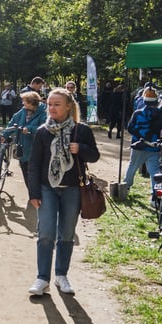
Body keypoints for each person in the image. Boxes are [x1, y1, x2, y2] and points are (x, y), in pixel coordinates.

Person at [27, 88, 100, 296]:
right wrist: (34, 193)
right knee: (45, 234)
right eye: (49, 104)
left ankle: (61, 275)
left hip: (72, 190)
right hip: (47, 189)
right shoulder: (42, 131)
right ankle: (42, 278)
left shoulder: (82, 130)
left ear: (68, 106)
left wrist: (81, 149)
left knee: (66, 235)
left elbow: (94, 156)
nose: (52, 108)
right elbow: (34, 164)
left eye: (57, 104)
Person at [123, 88, 162, 199]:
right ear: (156, 101)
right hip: (153, 146)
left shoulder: (137, 113)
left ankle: (125, 188)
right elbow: (160, 130)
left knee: (132, 166)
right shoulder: (160, 115)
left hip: (138, 145)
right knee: (154, 171)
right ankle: (155, 196)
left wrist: (140, 136)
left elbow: (130, 128)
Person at [7, 90, 47, 183]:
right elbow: (13, 122)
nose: (22, 103)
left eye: (24, 101)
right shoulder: (23, 111)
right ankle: (32, 196)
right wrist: (5, 134)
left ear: (31, 102)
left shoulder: (43, 113)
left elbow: (45, 127)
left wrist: (30, 129)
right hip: (23, 150)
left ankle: (36, 196)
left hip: (36, 150)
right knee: (26, 176)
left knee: (35, 177)